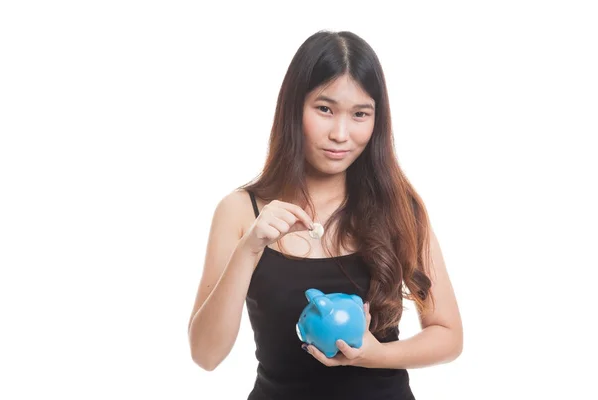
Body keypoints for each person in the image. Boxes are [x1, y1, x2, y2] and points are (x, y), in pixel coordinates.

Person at [188, 30, 463, 400]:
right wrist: (249, 249)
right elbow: (206, 355)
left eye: (360, 114)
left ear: (376, 120)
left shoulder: (399, 206)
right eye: (324, 109)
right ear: (293, 108)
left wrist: (375, 355)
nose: (340, 133)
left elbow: (448, 335)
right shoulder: (240, 211)